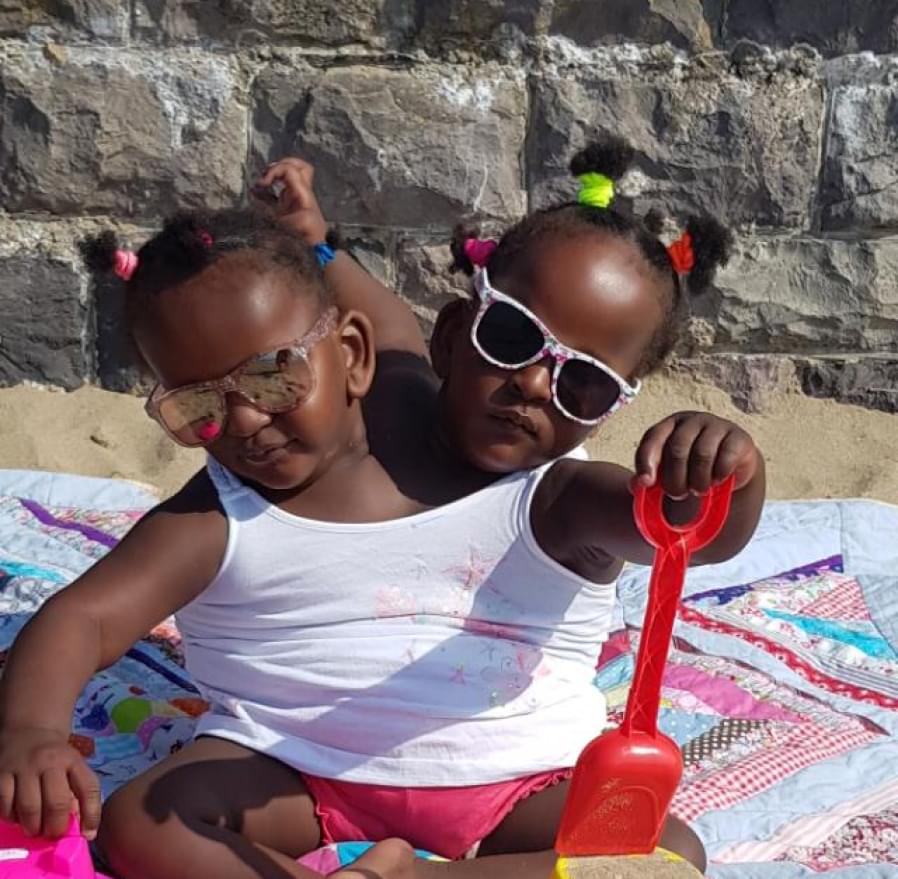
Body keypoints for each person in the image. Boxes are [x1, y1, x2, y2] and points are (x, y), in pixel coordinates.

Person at [0, 141, 764, 879]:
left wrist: (724, 466)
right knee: (141, 819)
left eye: (584, 384)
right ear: (457, 338)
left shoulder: (556, 498)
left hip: (514, 779)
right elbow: (80, 619)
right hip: (293, 770)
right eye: (199, 405)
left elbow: (696, 532)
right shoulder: (224, 511)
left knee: (658, 854)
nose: (244, 422)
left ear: (351, 359)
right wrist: (31, 731)